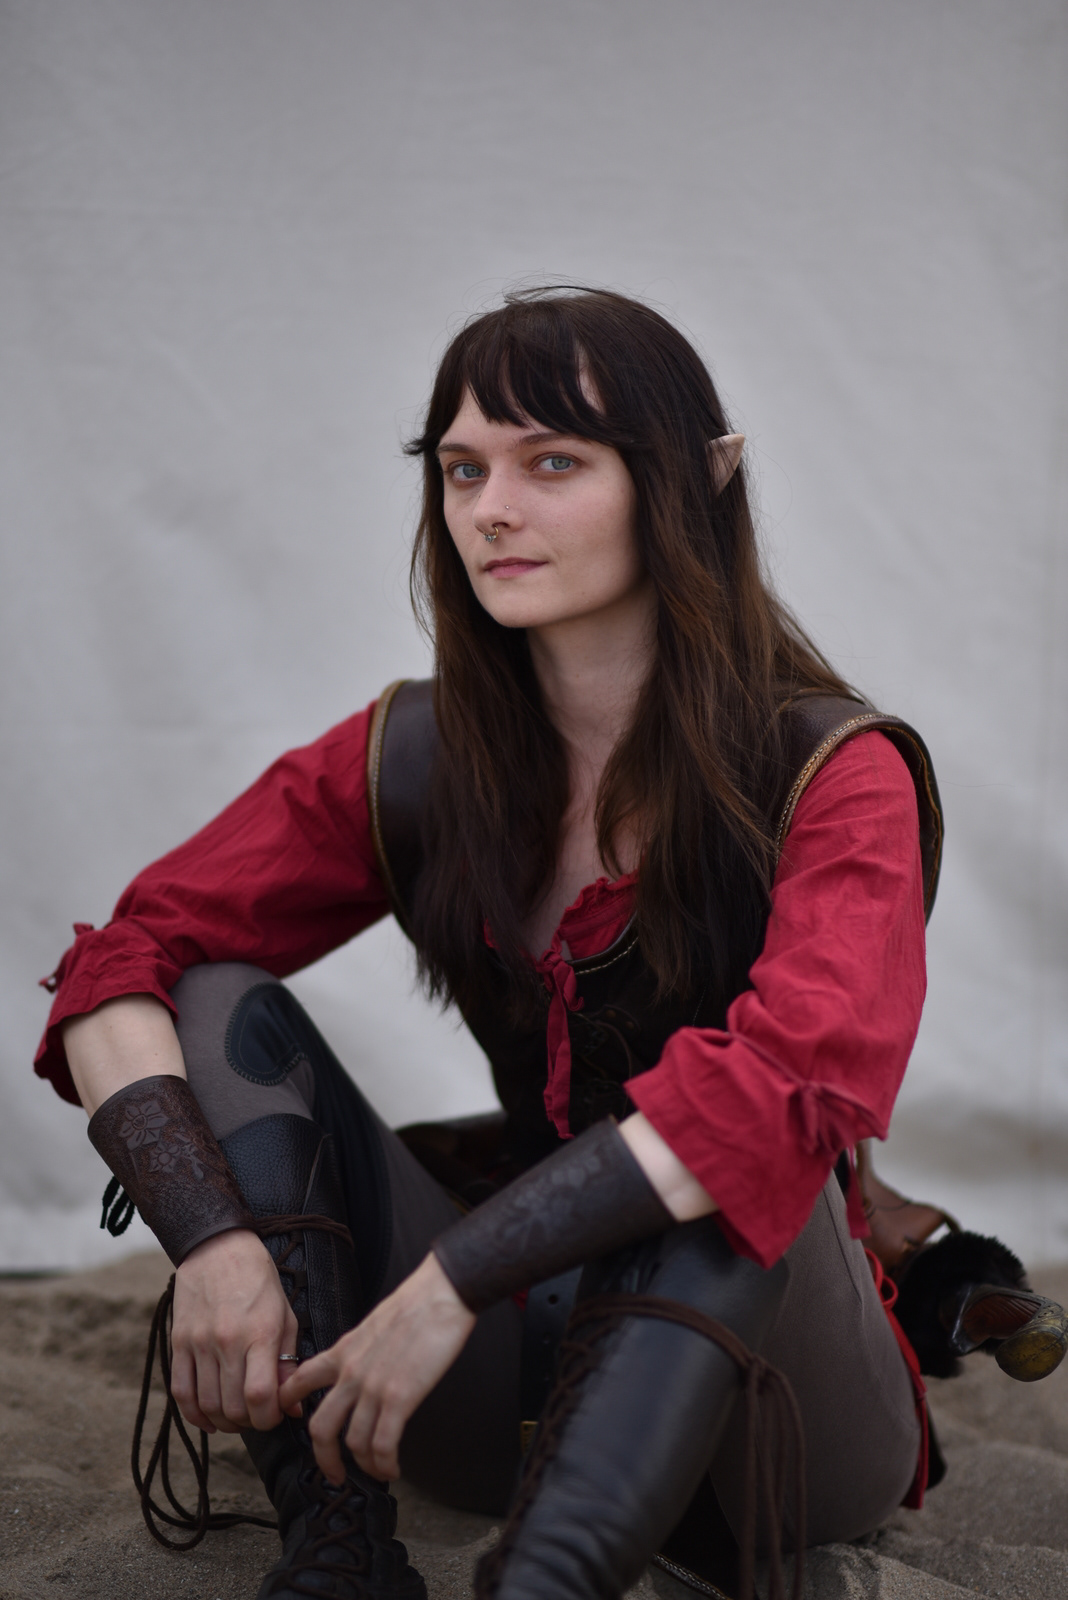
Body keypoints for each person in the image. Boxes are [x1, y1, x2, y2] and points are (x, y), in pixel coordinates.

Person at [35, 286, 1037, 1600]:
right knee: (215, 995)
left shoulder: (836, 774)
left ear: (703, 478)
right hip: (491, 1390)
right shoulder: (410, 758)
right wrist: (214, 1239)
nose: (490, 510)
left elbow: (794, 1082)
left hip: (772, 1420)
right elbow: (128, 955)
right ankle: (336, 1550)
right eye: (464, 469)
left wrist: (451, 1276)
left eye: (552, 462)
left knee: (743, 1146)